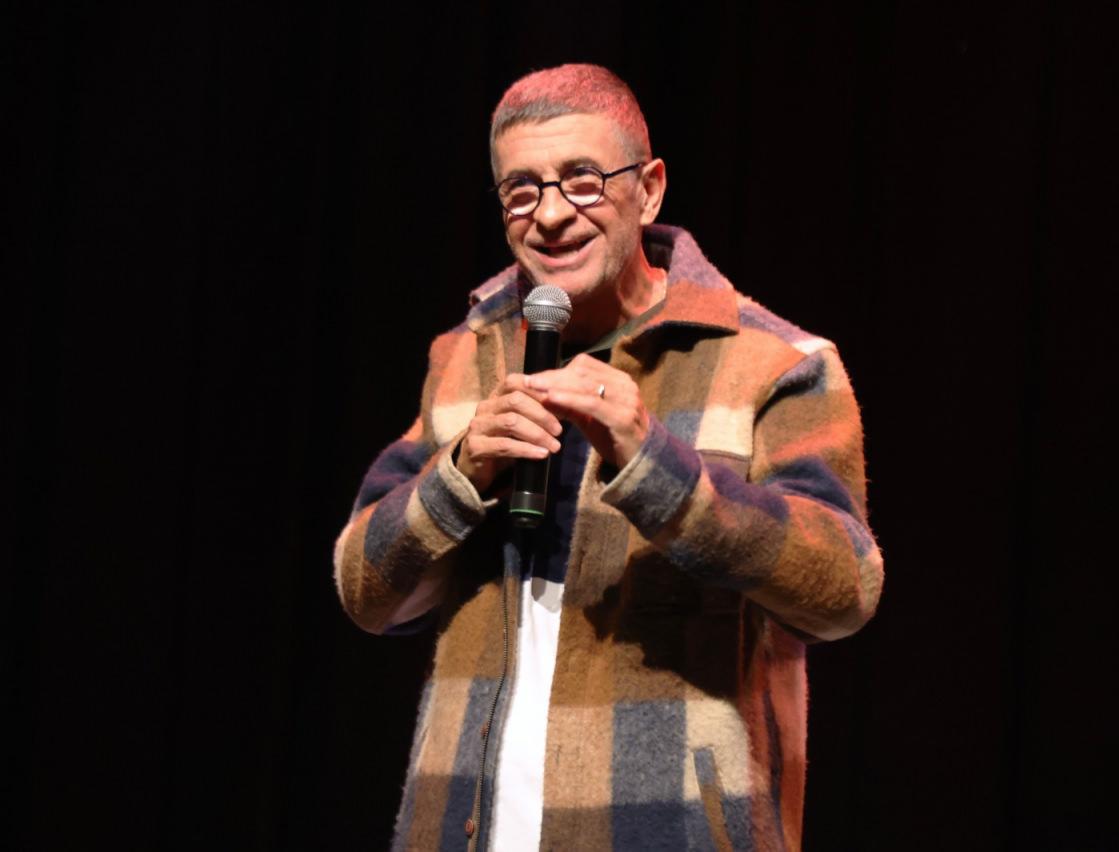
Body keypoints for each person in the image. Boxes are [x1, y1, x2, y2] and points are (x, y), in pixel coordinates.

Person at [334, 63, 884, 852]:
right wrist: (458, 476)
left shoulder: (773, 363)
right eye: (522, 191)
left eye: (584, 181)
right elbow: (365, 590)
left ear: (649, 189)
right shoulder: (468, 355)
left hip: (665, 829)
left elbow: (843, 588)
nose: (552, 214)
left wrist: (657, 466)